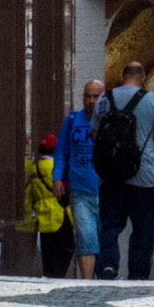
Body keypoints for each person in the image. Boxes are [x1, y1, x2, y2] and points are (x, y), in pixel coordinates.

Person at [93, 61, 154, 281]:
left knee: (109, 226)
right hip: (143, 178)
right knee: (143, 231)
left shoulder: (104, 99)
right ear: (144, 78)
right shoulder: (152, 99)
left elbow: (95, 136)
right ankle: (137, 274)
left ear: (122, 76)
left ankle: (108, 266)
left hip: (109, 178)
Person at [55, 78, 105, 280]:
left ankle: (101, 280)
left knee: (103, 238)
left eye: (96, 96)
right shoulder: (72, 120)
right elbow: (61, 151)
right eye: (88, 96)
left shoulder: (110, 121)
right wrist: (57, 178)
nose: (91, 100)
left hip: (105, 189)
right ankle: (87, 284)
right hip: (80, 191)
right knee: (86, 236)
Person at [19, 135, 74, 277]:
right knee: (64, 250)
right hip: (60, 215)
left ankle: (50, 277)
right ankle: (58, 277)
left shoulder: (34, 167)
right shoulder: (57, 168)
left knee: (48, 254)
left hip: (43, 218)